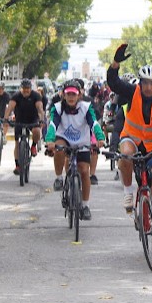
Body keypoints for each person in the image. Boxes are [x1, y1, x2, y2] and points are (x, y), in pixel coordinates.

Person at [106, 44, 152, 247]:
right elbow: (114, 83)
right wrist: (115, 63)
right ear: (140, 83)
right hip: (132, 138)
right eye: (145, 83)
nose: (148, 87)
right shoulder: (132, 92)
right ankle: (128, 193)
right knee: (125, 155)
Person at [46, 79, 106, 220]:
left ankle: (85, 206)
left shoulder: (86, 107)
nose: (71, 97)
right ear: (63, 95)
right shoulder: (58, 108)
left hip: (81, 142)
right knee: (59, 149)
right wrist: (49, 139)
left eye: (74, 94)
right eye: (68, 94)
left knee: (84, 171)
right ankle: (59, 178)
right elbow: (53, 125)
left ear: (79, 95)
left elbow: (94, 123)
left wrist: (100, 137)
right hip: (64, 139)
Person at [4, 78, 45, 175]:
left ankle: (33, 146)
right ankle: (17, 165)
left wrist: (42, 119)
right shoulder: (16, 96)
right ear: (20, 88)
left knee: (36, 131)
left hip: (32, 119)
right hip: (19, 120)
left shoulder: (36, 95)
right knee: (17, 144)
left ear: (31, 88)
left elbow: (40, 109)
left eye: (28, 88)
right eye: (24, 88)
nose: (26, 90)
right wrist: (5, 119)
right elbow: (10, 108)